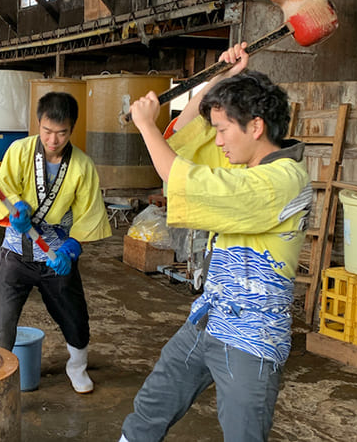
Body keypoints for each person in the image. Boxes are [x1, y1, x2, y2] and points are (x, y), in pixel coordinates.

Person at [119, 43, 312, 441]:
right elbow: (179, 145)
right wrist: (217, 78)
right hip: (210, 319)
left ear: (255, 127)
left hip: (251, 340)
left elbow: (177, 174)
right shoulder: (243, 163)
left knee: (243, 434)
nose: (219, 141)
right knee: (154, 402)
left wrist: (145, 125)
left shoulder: (283, 181)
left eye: (224, 130)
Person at [0, 92, 112, 393]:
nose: (53, 140)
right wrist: (15, 206)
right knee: (0, 323)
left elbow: (87, 216)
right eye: (47, 131)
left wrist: (71, 249)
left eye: (62, 133)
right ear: (38, 124)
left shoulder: (82, 166)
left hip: (55, 256)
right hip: (16, 252)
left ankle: (77, 367)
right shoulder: (19, 150)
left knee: (74, 318)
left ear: (72, 129)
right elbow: (6, 187)